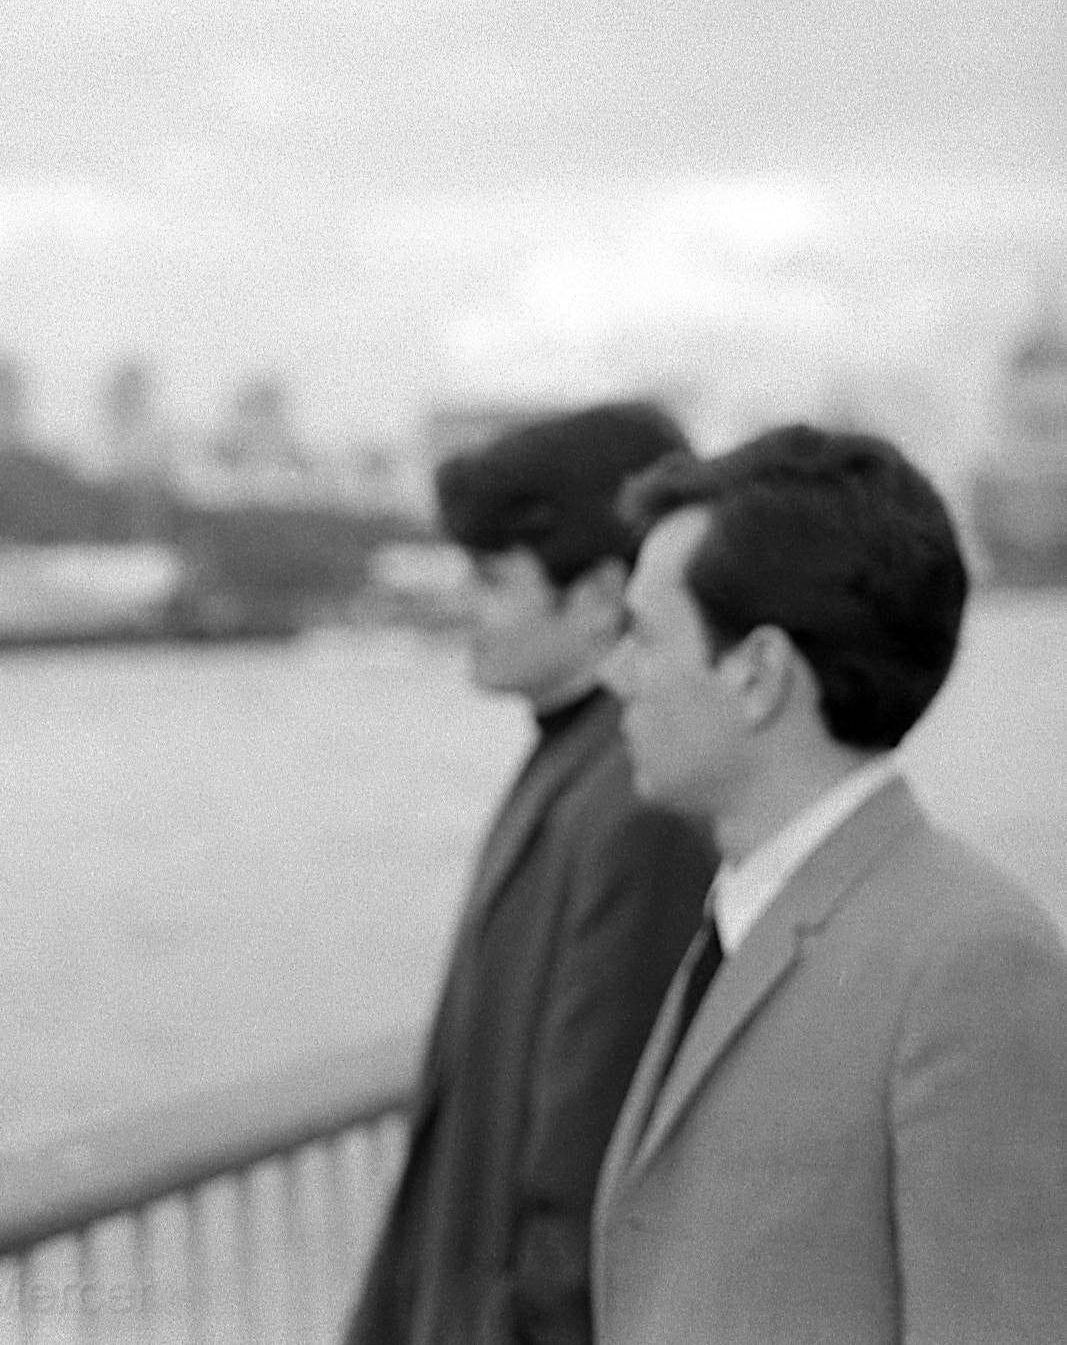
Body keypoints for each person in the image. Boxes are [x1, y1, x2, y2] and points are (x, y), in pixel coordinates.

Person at [592, 425, 1067, 1343]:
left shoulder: (969, 959)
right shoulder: (749, 914)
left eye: (643, 635)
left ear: (758, 674)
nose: (615, 673)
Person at [347, 403, 715, 1345]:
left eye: (491, 578)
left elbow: (583, 1167)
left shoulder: (636, 802)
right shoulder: (585, 765)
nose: (462, 607)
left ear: (598, 595)